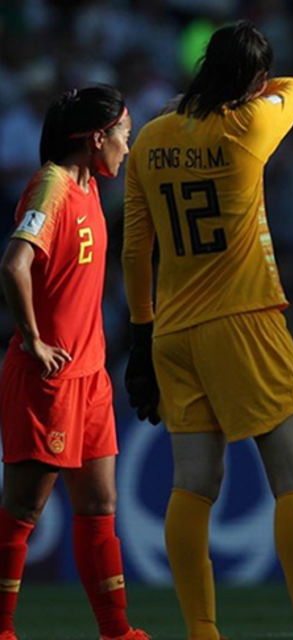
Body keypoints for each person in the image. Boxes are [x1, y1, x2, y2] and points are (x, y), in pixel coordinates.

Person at [121, 21, 293, 640]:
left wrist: (140, 338)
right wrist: (255, 94)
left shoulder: (151, 138)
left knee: (193, 483)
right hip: (244, 320)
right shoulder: (250, 125)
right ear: (253, 81)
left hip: (172, 331)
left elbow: (136, 252)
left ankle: (203, 632)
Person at [0, 86, 149, 640]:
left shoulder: (87, 187)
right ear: (97, 138)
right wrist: (34, 340)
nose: (126, 149)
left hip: (91, 377)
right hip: (50, 375)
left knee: (100, 503)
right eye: (124, 137)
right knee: (22, 509)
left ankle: (117, 631)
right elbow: (14, 264)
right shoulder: (53, 184)